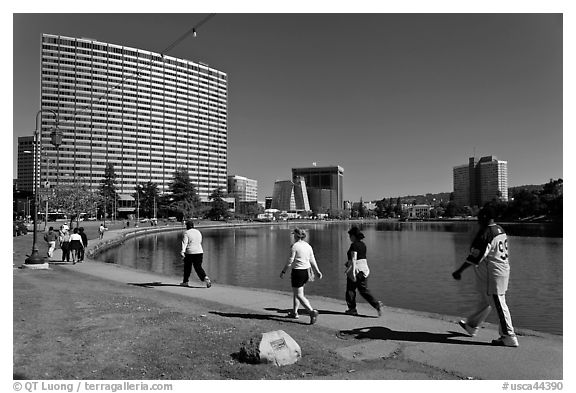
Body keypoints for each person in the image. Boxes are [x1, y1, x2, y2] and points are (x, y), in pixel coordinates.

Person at [452, 206, 519, 347]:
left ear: (484, 217)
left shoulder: (486, 233)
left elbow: (474, 258)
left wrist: (459, 271)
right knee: (486, 301)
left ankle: (508, 336)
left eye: (479, 216)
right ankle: (471, 325)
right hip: (500, 271)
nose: (477, 219)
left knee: (499, 304)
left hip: (493, 274)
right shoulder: (499, 229)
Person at [280, 228, 323, 325]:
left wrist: (283, 271)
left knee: (299, 295)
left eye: (293, 234)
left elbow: (290, 261)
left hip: (298, 272)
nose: (292, 236)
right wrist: (317, 271)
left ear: (296, 236)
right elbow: (312, 259)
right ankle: (295, 312)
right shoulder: (308, 246)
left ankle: (312, 311)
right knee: (297, 293)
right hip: (306, 272)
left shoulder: (295, 246)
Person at [344, 226, 384, 317]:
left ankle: (352, 309)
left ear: (354, 236)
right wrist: (348, 263)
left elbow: (354, 259)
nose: (349, 237)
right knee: (363, 290)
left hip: (356, 270)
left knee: (350, 290)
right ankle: (376, 304)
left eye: (350, 235)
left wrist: (353, 272)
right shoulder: (363, 245)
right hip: (364, 269)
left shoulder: (353, 245)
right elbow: (360, 258)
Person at [180, 220, 212, 288]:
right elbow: (200, 241)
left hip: (190, 252)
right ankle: (205, 278)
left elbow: (184, 242)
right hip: (199, 251)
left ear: (187, 226)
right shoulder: (198, 232)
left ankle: (185, 281)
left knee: (187, 267)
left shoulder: (186, 233)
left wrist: (182, 251)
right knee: (198, 267)